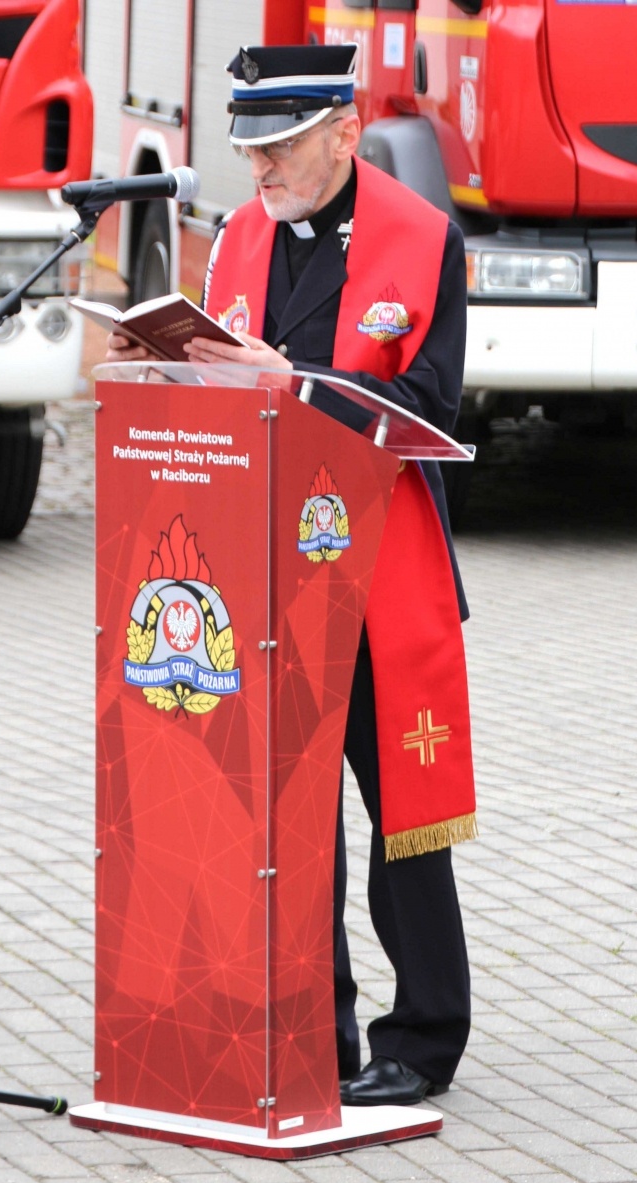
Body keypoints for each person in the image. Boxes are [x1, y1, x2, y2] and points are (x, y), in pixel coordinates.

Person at [106, 42, 477, 1107]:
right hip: (266, 576)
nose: (259, 172)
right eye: (250, 150)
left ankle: (426, 1034)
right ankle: (321, 1026)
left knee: (403, 817)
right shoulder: (237, 238)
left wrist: (301, 390)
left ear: (345, 134)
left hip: (380, 574)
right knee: (289, 817)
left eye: (278, 149)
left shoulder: (422, 239)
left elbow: (436, 407)